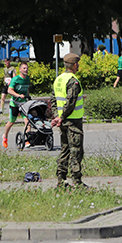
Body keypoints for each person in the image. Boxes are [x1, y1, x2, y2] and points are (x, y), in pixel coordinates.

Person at [52, 53, 87, 188]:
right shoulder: (73, 81)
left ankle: (61, 179)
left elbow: (53, 99)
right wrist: (61, 117)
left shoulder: (59, 79)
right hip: (72, 121)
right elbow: (70, 102)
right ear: (75, 65)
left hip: (63, 121)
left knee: (65, 149)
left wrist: (57, 116)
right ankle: (77, 181)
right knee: (76, 150)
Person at [2, 62, 30, 148]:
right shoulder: (16, 79)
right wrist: (18, 95)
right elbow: (9, 90)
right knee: (11, 122)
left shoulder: (28, 79)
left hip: (24, 103)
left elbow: (27, 89)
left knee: (28, 122)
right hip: (15, 103)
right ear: (20, 70)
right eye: (24, 68)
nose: (26, 70)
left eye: (27, 68)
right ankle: (5, 137)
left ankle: (27, 140)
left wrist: (27, 97)